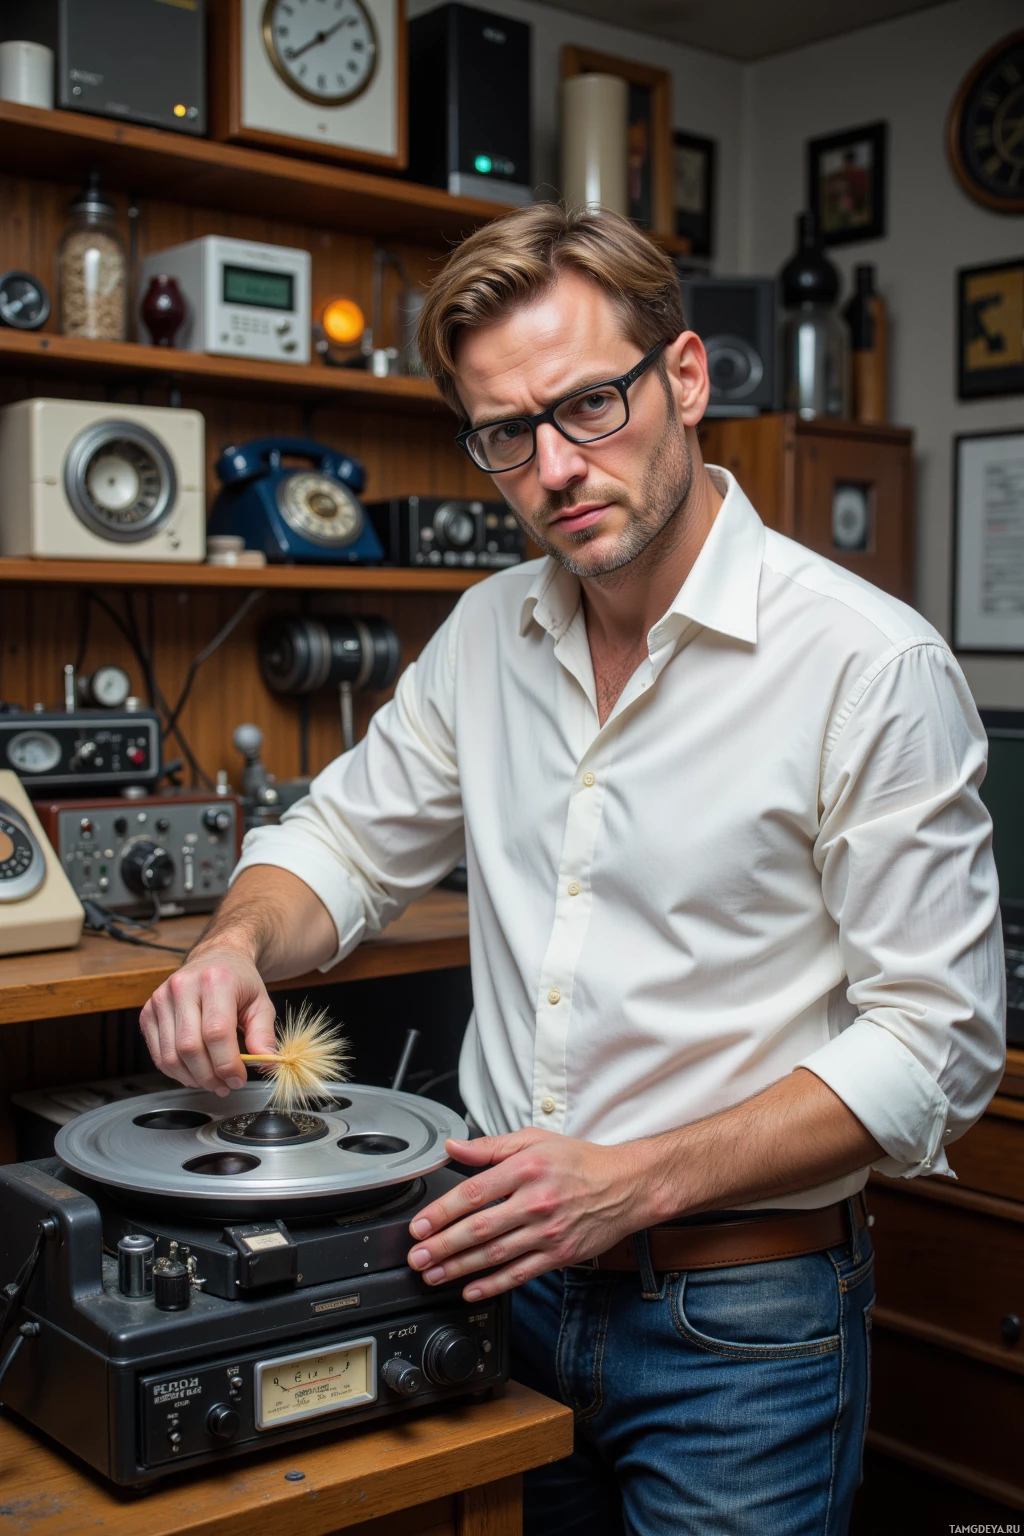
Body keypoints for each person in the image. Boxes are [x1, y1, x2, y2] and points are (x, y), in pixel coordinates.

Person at [140, 205, 1004, 1535]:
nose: (555, 467)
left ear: (687, 377)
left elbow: (937, 1046)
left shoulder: (868, 669)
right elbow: (338, 842)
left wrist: (637, 1178)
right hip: (497, 1291)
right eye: (507, 434)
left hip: (740, 1324)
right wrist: (231, 946)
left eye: (590, 404)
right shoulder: (486, 634)